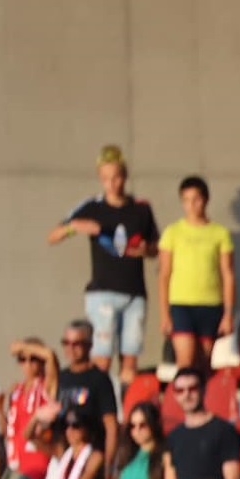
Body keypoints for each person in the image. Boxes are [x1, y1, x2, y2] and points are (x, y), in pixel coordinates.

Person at [48, 148, 158, 381]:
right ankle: (101, 407)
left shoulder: (140, 209)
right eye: (106, 178)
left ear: (125, 176)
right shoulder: (93, 207)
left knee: (130, 357)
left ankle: (125, 410)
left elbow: (156, 247)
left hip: (134, 292)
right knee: (102, 357)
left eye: (116, 177)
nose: (112, 184)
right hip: (103, 292)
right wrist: (75, 227)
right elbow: (53, 236)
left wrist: (146, 250)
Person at [156, 176, 236, 369]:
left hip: (210, 305)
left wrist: (228, 314)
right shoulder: (172, 232)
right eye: (186, 200)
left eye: (196, 199)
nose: (192, 205)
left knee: (204, 364)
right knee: (185, 362)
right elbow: (164, 274)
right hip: (181, 305)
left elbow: (228, 274)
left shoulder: (220, 233)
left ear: (205, 200)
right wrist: (165, 314)